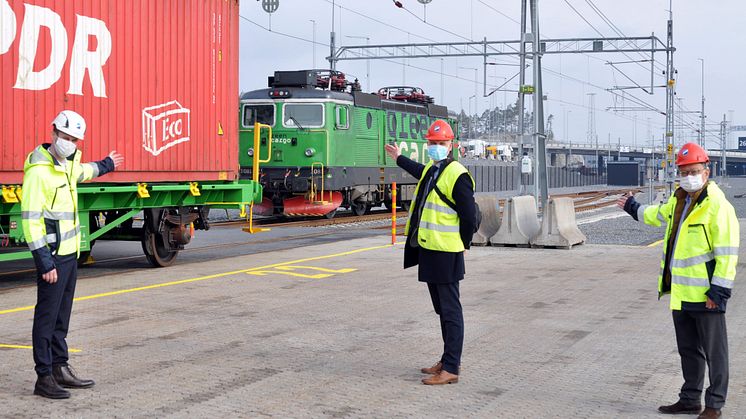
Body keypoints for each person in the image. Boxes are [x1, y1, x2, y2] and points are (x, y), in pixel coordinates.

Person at [617, 142, 738, 419]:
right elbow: (656, 216)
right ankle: (689, 400)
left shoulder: (717, 206)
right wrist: (632, 206)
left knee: (715, 354)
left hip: (707, 296)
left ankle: (714, 405)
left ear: (706, 172)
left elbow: (728, 253)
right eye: (684, 172)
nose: (689, 176)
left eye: (694, 171)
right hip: (682, 293)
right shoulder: (679, 199)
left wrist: (719, 292)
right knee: (688, 351)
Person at [21, 110, 124, 399]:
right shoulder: (38, 172)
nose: (69, 143)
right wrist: (44, 261)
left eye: (75, 140)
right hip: (52, 258)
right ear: (53, 132)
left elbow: (84, 171)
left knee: (61, 317)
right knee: (46, 317)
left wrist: (107, 164)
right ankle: (43, 377)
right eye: (65, 137)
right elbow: (30, 220)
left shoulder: (68, 165)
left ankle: (60, 368)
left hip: (69, 254)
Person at [384, 119, 477, 385]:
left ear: (452, 146)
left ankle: (451, 369)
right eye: (432, 143)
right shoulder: (435, 169)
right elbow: (418, 170)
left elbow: (469, 216)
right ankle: (447, 360)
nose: (436, 147)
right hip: (430, 249)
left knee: (450, 311)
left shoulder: (456, 173)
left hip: (446, 252)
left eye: (441, 144)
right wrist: (399, 158)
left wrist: (465, 244)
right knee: (442, 310)